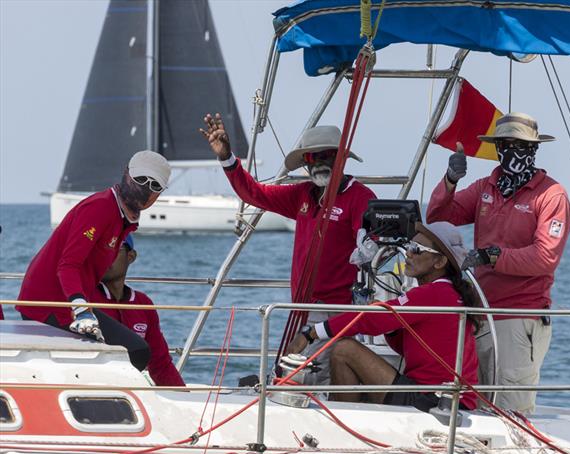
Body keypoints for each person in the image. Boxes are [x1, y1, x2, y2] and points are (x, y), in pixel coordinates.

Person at [200, 113, 376, 384]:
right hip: (301, 308)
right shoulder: (303, 194)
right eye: (310, 158)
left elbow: (367, 237)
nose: (318, 163)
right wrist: (227, 157)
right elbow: (254, 194)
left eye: (326, 155)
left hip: (335, 310)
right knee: (295, 377)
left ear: (340, 157)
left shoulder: (360, 197)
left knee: (312, 380)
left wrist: (366, 244)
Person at [426, 112, 570, 414]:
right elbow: (438, 218)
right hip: (481, 313)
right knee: (472, 406)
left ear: (533, 148)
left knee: (510, 410)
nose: (513, 151)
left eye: (519, 144)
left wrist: (492, 256)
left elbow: (545, 257)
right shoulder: (485, 188)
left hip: (520, 317)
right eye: (505, 144)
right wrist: (450, 181)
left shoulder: (551, 195)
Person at [286, 222, 480, 412]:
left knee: (344, 349)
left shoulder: (432, 293)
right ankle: (348, 413)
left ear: (440, 262)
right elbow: (408, 347)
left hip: (431, 399)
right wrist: (392, 327)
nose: (409, 254)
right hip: (445, 396)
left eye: (417, 249)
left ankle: (344, 420)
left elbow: (370, 320)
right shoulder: (448, 292)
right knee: (349, 354)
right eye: (410, 246)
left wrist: (311, 333)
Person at [17, 151, 171, 373]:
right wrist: (81, 310)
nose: (145, 187)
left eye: (154, 185)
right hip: (49, 303)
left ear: (159, 194)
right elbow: (68, 265)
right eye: (140, 179)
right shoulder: (100, 207)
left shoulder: (122, 218)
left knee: (136, 351)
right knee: (136, 352)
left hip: (68, 302)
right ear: (125, 173)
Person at [92, 235, 185, 387]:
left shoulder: (143, 303)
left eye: (113, 248)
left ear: (131, 256)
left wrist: (183, 397)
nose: (104, 256)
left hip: (132, 389)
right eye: (99, 250)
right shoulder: (83, 299)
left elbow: (159, 362)